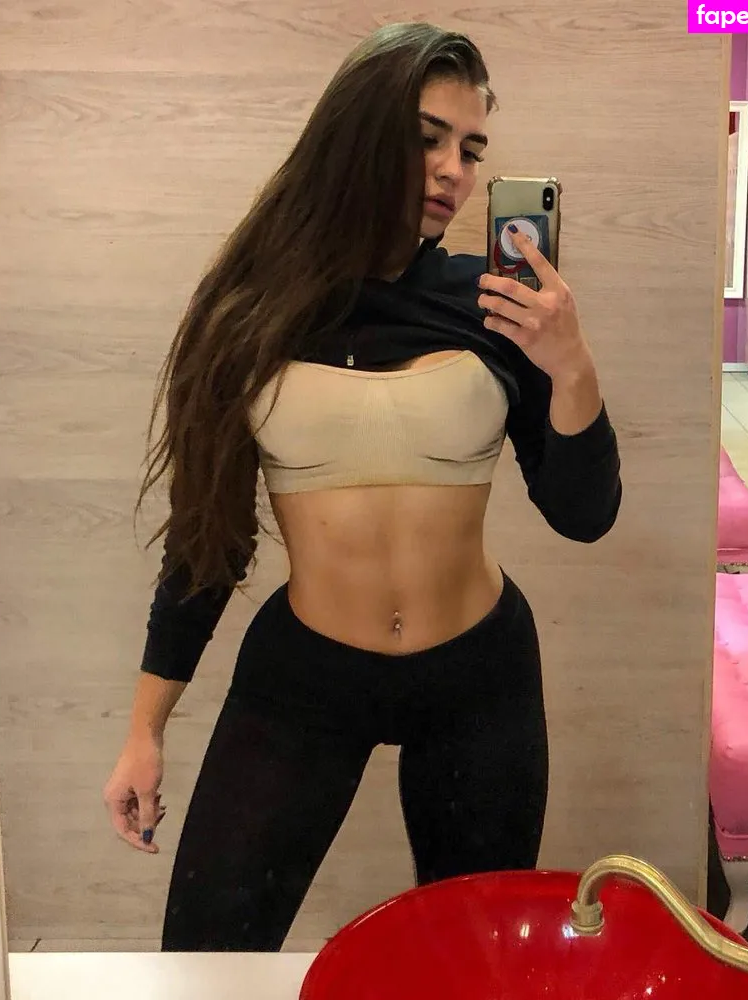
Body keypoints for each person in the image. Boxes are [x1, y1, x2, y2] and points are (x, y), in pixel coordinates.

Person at [103, 21, 622, 953]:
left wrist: (572, 366)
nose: (454, 171)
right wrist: (146, 730)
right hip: (307, 677)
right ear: (355, 133)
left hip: (479, 677)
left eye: (471, 149)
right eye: (427, 138)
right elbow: (207, 544)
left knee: (477, 961)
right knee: (208, 954)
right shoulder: (249, 312)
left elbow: (584, 516)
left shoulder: (491, 303)